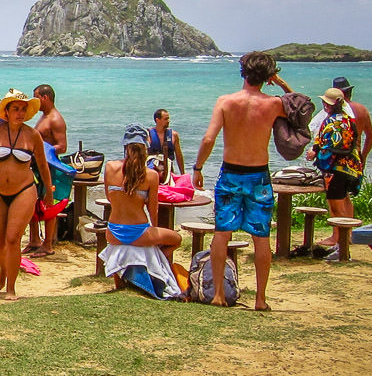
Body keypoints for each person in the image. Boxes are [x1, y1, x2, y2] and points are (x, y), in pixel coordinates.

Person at [192, 51, 293, 311]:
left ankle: (218, 295)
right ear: (267, 76)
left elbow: (208, 139)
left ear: (243, 72)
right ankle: (260, 299)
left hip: (231, 173)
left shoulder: (226, 102)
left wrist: (198, 167)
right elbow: (299, 105)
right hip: (259, 175)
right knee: (261, 237)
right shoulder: (274, 104)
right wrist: (280, 83)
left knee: (222, 233)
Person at [0, 88, 52, 299]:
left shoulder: (32, 135)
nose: (20, 113)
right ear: (6, 111)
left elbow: (43, 165)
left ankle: (11, 288)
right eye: (15, 109)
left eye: (23, 109)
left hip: (24, 190)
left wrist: (47, 190)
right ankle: (4, 268)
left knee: (12, 239)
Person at [104, 123, 182, 266]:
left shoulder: (109, 167)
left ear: (125, 146)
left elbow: (109, 198)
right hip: (138, 232)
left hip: (113, 232)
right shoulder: (151, 175)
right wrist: (154, 230)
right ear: (145, 147)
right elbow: (153, 210)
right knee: (177, 239)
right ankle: (158, 260)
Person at [307, 88, 364, 250]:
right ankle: (348, 234)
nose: (325, 105)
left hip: (336, 168)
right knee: (345, 199)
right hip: (350, 167)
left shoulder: (334, 122)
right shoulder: (347, 119)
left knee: (335, 203)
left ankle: (338, 238)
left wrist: (315, 151)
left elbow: (332, 144)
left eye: (327, 102)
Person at [26, 84, 67, 258]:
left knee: (49, 204)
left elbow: (62, 146)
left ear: (45, 98)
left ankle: (48, 244)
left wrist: (42, 152)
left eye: (36, 97)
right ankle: (34, 239)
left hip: (49, 167)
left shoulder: (55, 119)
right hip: (36, 165)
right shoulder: (43, 116)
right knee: (32, 202)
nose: (34, 101)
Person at [146, 109, 187, 181]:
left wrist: (183, 174)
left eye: (168, 118)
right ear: (157, 120)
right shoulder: (148, 134)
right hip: (152, 171)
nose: (168, 121)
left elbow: (179, 155)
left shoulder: (174, 135)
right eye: (165, 119)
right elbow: (143, 155)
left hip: (168, 171)